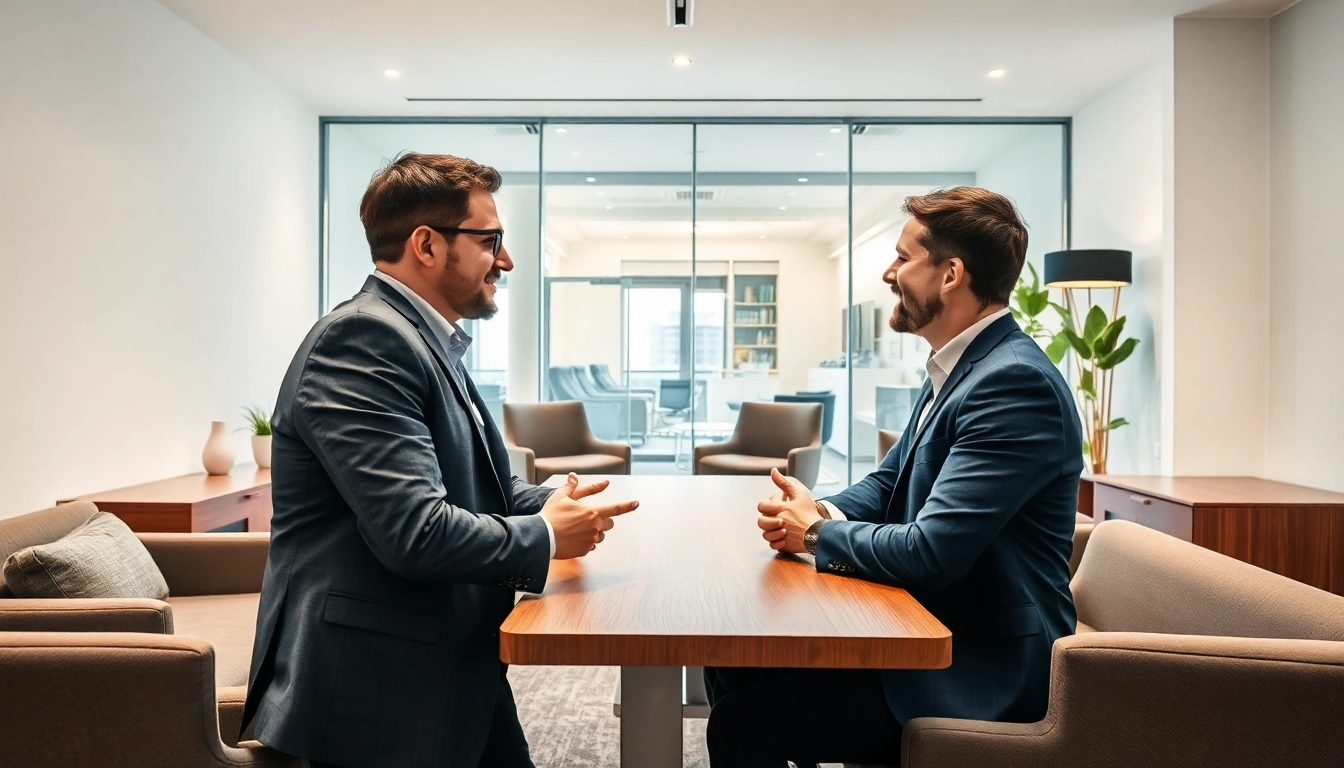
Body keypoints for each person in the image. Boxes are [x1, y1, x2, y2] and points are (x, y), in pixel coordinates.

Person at [240, 153, 638, 768]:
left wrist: (562, 502)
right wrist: (545, 534)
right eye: (490, 241)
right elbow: (416, 532)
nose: (505, 261)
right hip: (377, 687)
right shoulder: (362, 341)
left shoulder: (422, 338)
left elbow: (477, 486)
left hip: (445, 656)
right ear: (427, 245)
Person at [705, 187, 1083, 766]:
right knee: (731, 661)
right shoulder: (960, 367)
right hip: (927, 624)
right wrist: (817, 509)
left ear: (950, 274)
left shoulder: (1013, 383)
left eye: (903, 258)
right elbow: (889, 483)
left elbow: (932, 552)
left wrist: (815, 534)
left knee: (740, 724)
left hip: (979, 665)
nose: (888, 273)